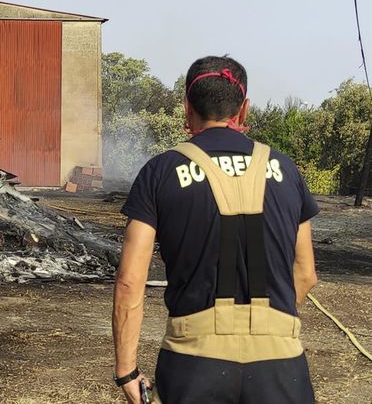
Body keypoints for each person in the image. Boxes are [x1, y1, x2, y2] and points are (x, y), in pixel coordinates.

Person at [112, 56, 319, 404]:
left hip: (193, 361)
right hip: (280, 364)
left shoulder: (160, 172)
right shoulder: (286, 170)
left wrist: (127, 372)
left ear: (187, 108)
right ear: (244, 110)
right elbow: (306, 273)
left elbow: (130, 280)